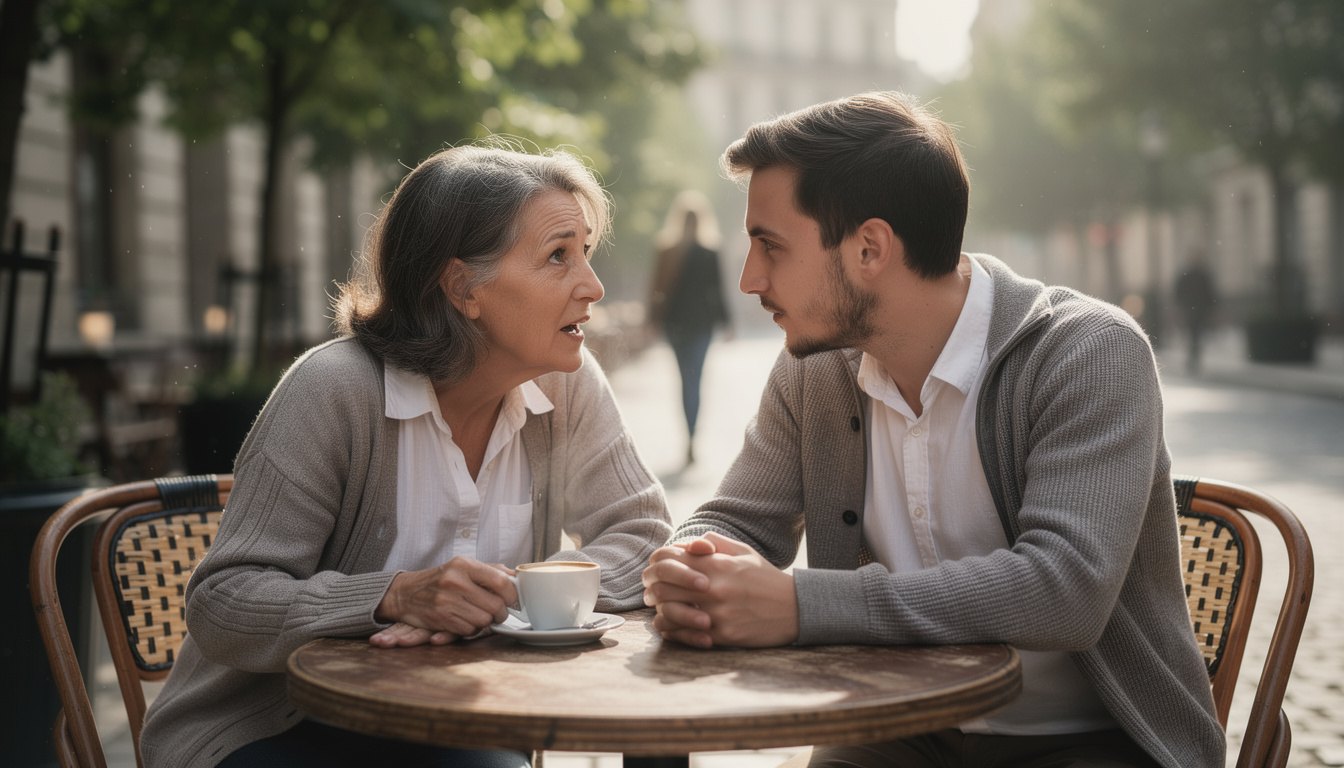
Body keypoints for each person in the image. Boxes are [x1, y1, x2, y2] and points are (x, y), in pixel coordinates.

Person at [640, 92, 1223, 768]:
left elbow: (1064, 591)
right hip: (893, 722)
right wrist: (688, 566)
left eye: (770, 246)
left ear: (869, 248)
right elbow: (736, 518)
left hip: (1089, 737)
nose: (749, 279)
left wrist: (802, 605)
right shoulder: (814, 368)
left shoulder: (1089, 352)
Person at [140, 143, 672, 768]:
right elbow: (224, 603)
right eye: (559, 256)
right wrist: (394, 596)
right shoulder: (333, 391)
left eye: (586, 251)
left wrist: (521, 595)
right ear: (462, 287)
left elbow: (642, 533)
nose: (593, 286)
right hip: (274, 725)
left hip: (457, 722)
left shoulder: (566, 385)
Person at [647, 190, 732, 464]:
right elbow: (717, 291)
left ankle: (690, 437)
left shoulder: (667, 249)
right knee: (694, 380)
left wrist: (652, 321)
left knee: (686, 380)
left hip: (676, 325)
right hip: (701, 325)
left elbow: (656, 290)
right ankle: (691, 438)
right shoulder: (709, 251)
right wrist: (727, 323)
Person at [1174, 250, 1217, 374]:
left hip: (1197, 310)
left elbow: (1209, 293)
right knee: (1194, 334)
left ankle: (1194, 357)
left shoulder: (1199, 275)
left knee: (1195, 334)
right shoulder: (1196, 275)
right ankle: (1193, 357)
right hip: (1193, 310)